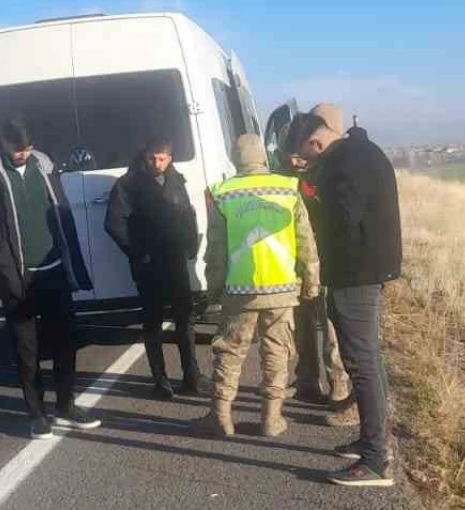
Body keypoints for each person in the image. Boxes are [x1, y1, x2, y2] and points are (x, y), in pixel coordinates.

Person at [0, 116, 101, 440]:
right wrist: (2, 263)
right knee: (27, 349)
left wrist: (71, 258)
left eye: (27, 148)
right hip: (17, 276)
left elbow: (61, 213)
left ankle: (66, 405)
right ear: (3, 144)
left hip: (54, 270)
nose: (23, 154)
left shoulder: (44, 168)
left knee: (66, 342)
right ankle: (37, 414)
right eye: (17, 149)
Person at [287, 103, 402, 487]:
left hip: (356, 274)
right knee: (368, 361)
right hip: (363, 270)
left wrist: (311, 196)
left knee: (361, 363)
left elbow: (342, 218)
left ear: (316, 143)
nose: (305, 163)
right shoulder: (360, 151)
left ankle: (376, 461)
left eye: (305, 156)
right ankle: (372, 442)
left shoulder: (346, 161)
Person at [188, 134, 320, 438]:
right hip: (282, 287)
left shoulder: (222, 193)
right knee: (277, 352)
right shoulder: (288, 187)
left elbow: (216, 251)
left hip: (240, 289)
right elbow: (305, 241)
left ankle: (220, 417)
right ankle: (271, 419)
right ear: (263, 156)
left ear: (235, 158)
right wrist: (312, 281)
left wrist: (214, 290)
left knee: (230, 352)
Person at [105, 138, 211, 399]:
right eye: (152, 157)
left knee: (185, 318)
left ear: (169, 158)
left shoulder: (176, 180)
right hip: (147, 263)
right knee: (152, 322)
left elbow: (188, 214)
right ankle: (160, 381)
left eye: (162, 158)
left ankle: (192, 376)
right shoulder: (128, 184)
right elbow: (114, 223)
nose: (157, 163)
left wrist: (191, 247)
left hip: (175, 259)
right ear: (145, 156)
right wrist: (137, 251)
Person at [281, 114, 356, 426]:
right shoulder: (285, 178)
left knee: (330, 326)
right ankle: (307, 381)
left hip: (324, 258)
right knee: (302, 323)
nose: (297, 161)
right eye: (292, 156)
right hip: (296, 261)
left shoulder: (325, 173)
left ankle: (339, 387)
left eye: (300, 155)